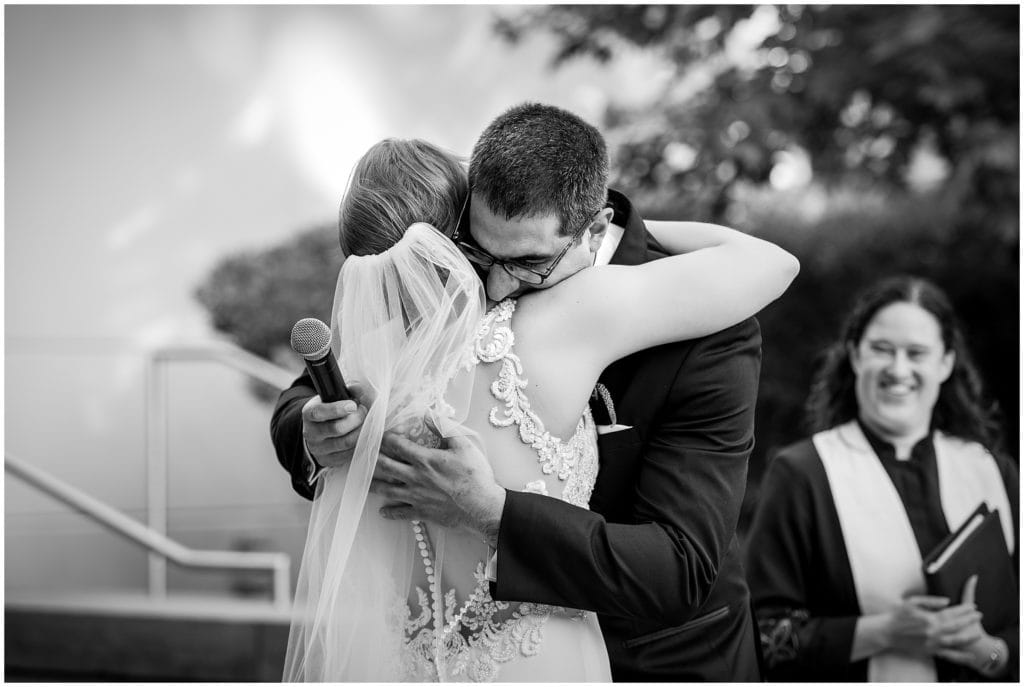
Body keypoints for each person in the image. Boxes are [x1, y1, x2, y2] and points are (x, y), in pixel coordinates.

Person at [274, 103, 795, 681]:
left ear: (594, 228)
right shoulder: (406, 333)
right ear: (458, 227)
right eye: (480, 253)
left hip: (663, 655)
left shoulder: (377, 349)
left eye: (527, 263)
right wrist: (310, 433)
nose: (497, 284)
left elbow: (680, 566)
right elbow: (300, 404)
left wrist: (492, 512)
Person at [744, 275, 1019, 682]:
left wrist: (993, 653)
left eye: (917, 352)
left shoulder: (992, 469)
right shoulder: (803, 474)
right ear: (855, 356)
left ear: (945, 363)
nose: (898, 368)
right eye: (881, 349)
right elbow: (762, 638)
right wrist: (885, 632)